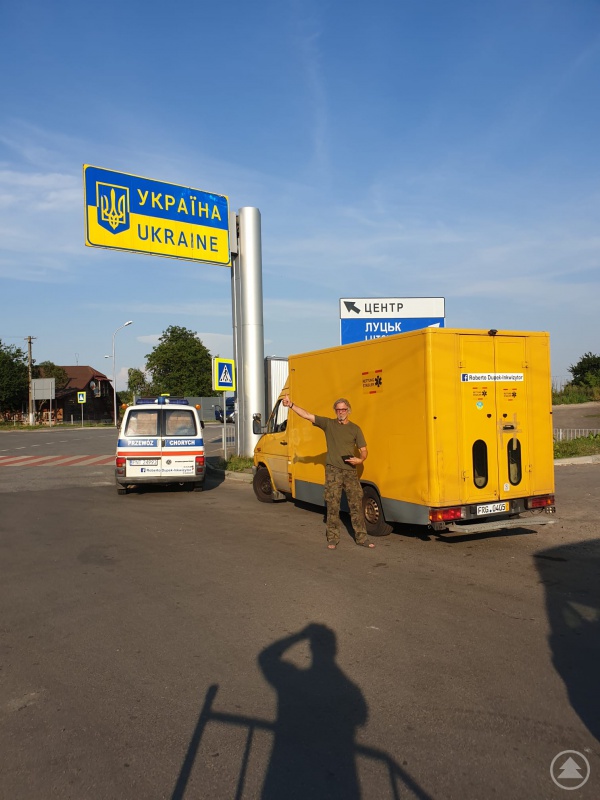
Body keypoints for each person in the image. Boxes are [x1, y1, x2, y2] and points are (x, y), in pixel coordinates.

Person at [283, 394, 374, 550]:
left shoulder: (355, 429)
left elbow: (364, 450)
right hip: (333, 471)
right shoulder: (328, 424)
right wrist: (291, 405)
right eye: (338, 410)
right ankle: (332, 538)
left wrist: (360, 460)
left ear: (348, 410)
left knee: (356, 505)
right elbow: (307, 415)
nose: (341, 412)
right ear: (335, 411)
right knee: (332, 505)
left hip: (350, 471)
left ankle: (362, 538)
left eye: (344, 409)